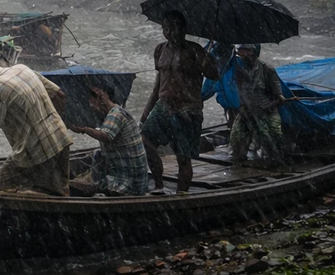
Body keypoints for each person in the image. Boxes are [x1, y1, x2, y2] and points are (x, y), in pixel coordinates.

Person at [0, 57, 73, 196]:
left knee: (3, 187)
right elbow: (59, 95)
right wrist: (56, 125)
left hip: (36, 151)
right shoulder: (22, 69)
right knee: (62, 190)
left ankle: (39, 203)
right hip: (62, 139)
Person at [140, 10, 220, 194]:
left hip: (187, 109)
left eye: (173, 28)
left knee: (183, 158)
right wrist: (146, 112)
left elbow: (214, 74)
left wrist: (206, 62)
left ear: (183, 29)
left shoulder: (195, 50)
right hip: (164, 105)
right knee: (145, 140)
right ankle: (159, 186)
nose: (169, 32)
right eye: (165, 28)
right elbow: (158, 83)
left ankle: (181, 195)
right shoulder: (160, 50)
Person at [69, 85, 148, 196]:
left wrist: (84, 129)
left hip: (131, 182)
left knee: (81, 188)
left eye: (92, 103)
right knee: (98, 155)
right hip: (129, 176)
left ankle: (97, 185)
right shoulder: (111, 113)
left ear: (102, 98)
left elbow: (106, 136)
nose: (91, 107)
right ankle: (93, 181)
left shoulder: (116, 114)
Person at [230, 44, 288, 165]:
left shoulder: (267, 70)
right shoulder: (239, 69)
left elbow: (281, 99)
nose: (241, 57)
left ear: (252, 53)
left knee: (273, 138)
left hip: (267, 111)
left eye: (243, 53)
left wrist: (267, 108)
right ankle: (239, 164)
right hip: (246, 111)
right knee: (236, 139)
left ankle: (278, 163)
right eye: (239, 54)